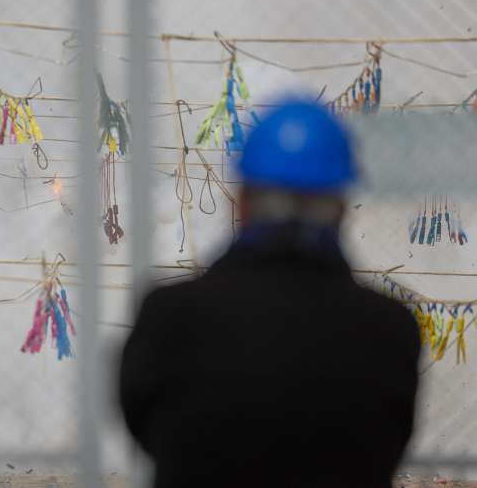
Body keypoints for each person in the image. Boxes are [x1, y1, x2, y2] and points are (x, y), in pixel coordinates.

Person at [119, 99, 420, 488]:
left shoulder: (171, 314)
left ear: (242, 202)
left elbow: (144, 425)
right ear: (343, 208)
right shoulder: (391, 329)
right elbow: (391, 441)